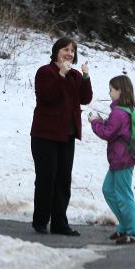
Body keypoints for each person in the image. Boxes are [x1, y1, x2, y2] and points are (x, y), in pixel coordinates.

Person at [30, 37, 93, 236]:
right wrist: (61, 75)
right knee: (46, 179)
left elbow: (85, 98)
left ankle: (60, 224)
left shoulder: (74, 75)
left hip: (67, 136)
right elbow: (48, 96)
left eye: (72, 51)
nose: (69, 53)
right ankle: (40, 221)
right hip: (45, 135)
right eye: (65, 49)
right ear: (56, 51)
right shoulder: (45, 72)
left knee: (63, 180)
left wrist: (85, 77)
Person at [89, 75, 135, 244]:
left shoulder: (119, 113)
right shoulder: (122, 110)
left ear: (119, 91)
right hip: (119, 160)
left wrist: (94, 122)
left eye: (111, 90)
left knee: (124, 195)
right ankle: (124, 225)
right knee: (108, 190)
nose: (109, 92)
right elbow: (114, 129)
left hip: (122, 160)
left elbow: (107, 133)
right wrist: (102, 121)